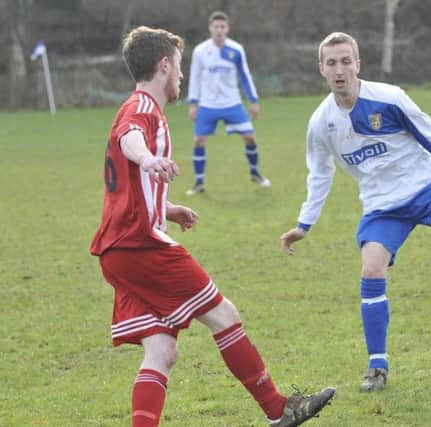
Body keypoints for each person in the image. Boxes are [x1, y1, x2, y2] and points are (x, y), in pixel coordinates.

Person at [90, 26, 334, 427]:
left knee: (162, 350)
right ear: (164, 66)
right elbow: (130, 140)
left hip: (118, 250)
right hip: (140, 246)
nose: (182, 77)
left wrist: (166, 208)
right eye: (179, 67)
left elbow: (127, 186)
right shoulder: (142, 111)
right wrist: (148, 159)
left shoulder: (133, 108)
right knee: (224, 315)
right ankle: (279, 409)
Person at [280, 32, 431, 392]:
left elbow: (430, 134)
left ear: (358, 63)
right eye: (332, 63)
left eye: (345, 61)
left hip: (427, 190)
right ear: (321, 69)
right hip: (382, 207)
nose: (339, 69)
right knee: (371, 268)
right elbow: (320, 174)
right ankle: (377, 367)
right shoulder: (321, 123)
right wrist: (303, 224)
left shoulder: (388, 97)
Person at [186, 11, 270, 195]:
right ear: (210, 28)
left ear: (227, 28)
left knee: (249, 137)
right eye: (216, 27)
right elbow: (195, 78)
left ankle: (255, 172)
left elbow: (245, 76)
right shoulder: (200, 51)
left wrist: (253, 101)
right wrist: (193, 103)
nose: (219, 30)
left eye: (222, 27)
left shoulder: (236, 50)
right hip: (208, 105)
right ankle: (199, 183)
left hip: (232, 103)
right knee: (199, 140)